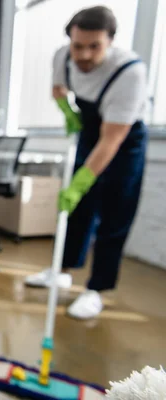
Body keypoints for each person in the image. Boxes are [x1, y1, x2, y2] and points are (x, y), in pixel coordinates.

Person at [25, 6, 148, 320]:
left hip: (123, 139)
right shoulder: (62, 57)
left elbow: (112, 139)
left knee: (114, 211)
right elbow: (58, 90)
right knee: (77, 211)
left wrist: (79, 184)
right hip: (90, 129)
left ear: (110, 42)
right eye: (78, 46)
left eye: (95, 47)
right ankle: (62, 271)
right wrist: (69, 113)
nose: (85, 54)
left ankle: (96, 289)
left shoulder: (129, 72)